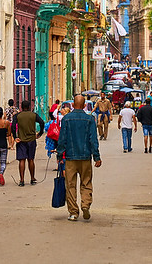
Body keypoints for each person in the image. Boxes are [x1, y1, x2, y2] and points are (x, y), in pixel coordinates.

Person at [56, 94, 102, 222]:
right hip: (85, 157)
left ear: (72, 105)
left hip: (70, 158)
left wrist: (60, 155)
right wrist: (96, 157)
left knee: (70, 185)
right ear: (84, 106)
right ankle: (85, 205)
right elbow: (93, 139)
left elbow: (62, 139)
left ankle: (73, 212)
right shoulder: (89, 119)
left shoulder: (66, 119)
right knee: (86, 182)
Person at [11, 100, 45, 186]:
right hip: (31, 140)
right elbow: (42, 122)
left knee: (22, 160)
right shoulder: (33, 115)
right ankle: (32, 178)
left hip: (21, 140)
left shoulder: (17, 116)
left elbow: (13, 127)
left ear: (21, 107)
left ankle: (22, 180)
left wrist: (15, 137)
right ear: (29, 106)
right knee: (31, 159)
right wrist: (40, 133)